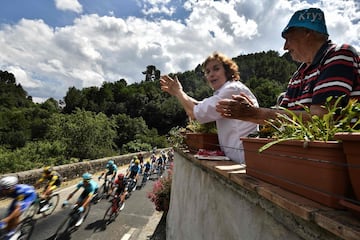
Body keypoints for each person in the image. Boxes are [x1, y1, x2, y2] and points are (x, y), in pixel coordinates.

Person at [216, 8, 360, 124]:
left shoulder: (339, 54)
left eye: (288, 38)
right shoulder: (299, 74)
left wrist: (255, 113)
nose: (285, 47)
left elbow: (323, 118)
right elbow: (282, 116)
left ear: (307, 32)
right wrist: (253, 111)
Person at [160, 52, 259, 163]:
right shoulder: (229, 89)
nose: (211, 74)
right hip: (240, 157)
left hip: (242, 159)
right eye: (207, 72)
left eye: (216, 69)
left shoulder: (231, 90)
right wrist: (179, 93)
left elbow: (194, 113)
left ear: (227, 71)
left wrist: (178, 93)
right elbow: (198, 106)